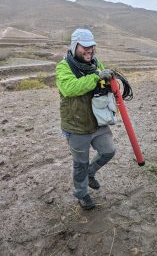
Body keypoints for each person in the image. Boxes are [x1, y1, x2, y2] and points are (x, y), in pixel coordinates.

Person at [56, 28, 116, 210]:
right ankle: (82, 194)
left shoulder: (96, 63)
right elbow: (69, 88)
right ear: (75, 46)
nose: (89, 50)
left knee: (108, 151)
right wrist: (96, 77)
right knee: (80, 164)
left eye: (92, 46)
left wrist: (110, 82)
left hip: (98, 122)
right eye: (85, 46)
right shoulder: (63, 66)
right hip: (76, 125)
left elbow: (102, 79)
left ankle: (91, 172)